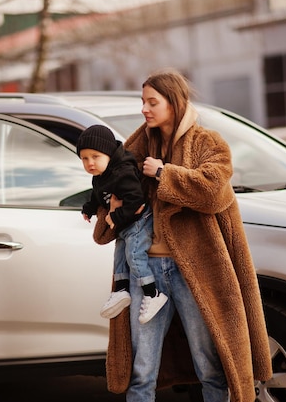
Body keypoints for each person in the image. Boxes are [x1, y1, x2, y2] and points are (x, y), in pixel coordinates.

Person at [95, 69, 273, 402]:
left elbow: (214, 193)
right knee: (141, 370)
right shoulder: (135, 146)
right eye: (143, 102)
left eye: (152, 102)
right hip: (146, 273)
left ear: (175, 103)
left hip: (196, 272)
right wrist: (108, 204)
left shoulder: (208, 143)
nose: (145, 109)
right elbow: (110, 186)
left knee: (209, 366)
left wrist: (164, 173)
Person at [77, 125, 168, 323]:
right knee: (119, 258)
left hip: (139, 222)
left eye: (95, 156)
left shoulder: (123, 172)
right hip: (125, 225)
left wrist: (116, 217)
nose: (90, 163)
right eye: (85, 158)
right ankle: (120, 290)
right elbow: (98, 194)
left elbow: (137, 201)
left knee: (134, 256)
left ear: (109, 153)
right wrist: (90, 208)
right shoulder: (101, 175)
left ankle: (152, 294)